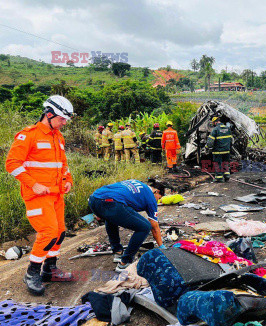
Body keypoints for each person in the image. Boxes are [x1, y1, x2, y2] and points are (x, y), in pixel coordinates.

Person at [5, 95, 75, 296]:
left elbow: (63, 163)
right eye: (62, 118)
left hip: (56, 194)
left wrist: (67, 179)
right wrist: (33, 184)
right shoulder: (29, 135)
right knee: (48, 233)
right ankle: (32, 272)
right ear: (49, 114)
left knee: (60, 232)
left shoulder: (58, 137)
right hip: (37, 195)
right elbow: (12, 164)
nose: (64, 122)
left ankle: (49, 269)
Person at [88, 180, 165, 272]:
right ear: (157, 192)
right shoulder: (151, 197)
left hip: (94, 199)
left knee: (111, 217)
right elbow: (154, 227)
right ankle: (125, 263)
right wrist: (161, 246)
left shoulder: (137, 182)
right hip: (112, 203)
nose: (157, 201)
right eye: (159, 198)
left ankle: (117, 252)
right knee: (145, 227)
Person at [207, 117, 232, 182]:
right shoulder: (228, 128)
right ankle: (227, 176)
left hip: (218, 151)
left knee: (218, 164)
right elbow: (231, 140)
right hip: (227, 150)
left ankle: (219, 178)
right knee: (225, 163)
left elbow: (210, 142)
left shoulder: (215, 130)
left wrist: (207, 147)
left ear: (215, 122)